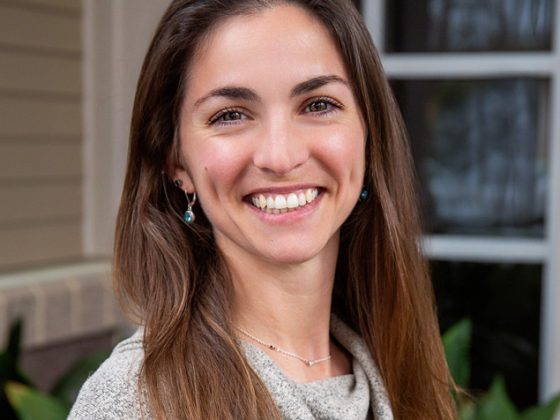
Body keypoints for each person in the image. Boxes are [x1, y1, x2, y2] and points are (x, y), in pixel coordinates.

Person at [70, 0, 457, 419]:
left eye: (318, 105)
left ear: (368, 133)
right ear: (176, 161)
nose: (280, 156)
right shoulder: (133, 400)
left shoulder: (396, 368)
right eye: (231, 115)